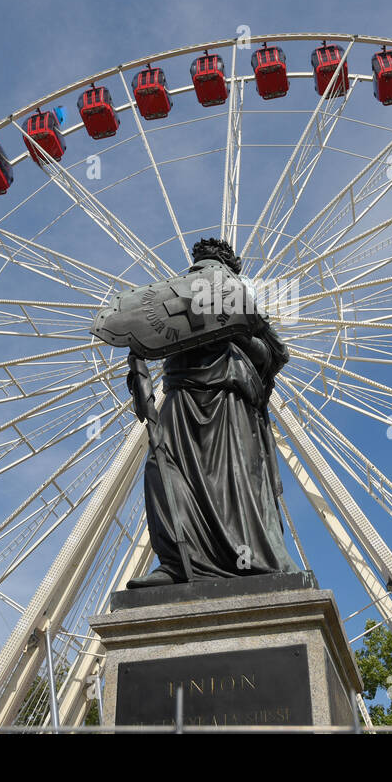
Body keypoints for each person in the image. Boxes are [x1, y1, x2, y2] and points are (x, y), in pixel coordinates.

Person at [126, 237, 299, 587]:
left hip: (226, 398)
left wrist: (233, 330)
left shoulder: (244, 315)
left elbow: (276, 355)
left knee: (232, 480)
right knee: (162, 468)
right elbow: (146, 334)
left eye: (211, 268)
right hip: (181, 394)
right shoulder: (176, 301)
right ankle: (177, 560)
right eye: (198, 268)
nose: (202, 274)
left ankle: (250, 558)